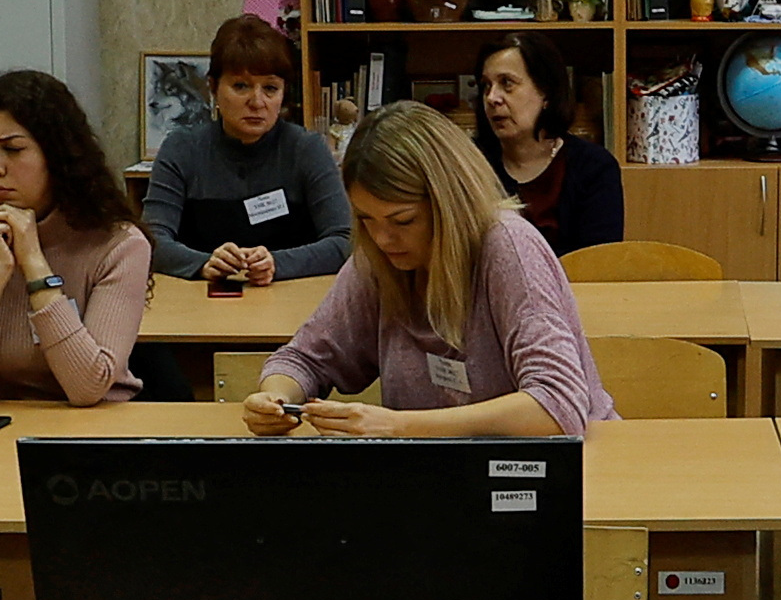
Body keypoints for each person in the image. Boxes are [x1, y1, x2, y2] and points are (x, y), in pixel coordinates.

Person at [245, 102, 613, 440]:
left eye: (403, 220)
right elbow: (304, 358)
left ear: (448, 204)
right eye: (366, 219)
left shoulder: (507, 246)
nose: (383, 238)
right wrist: (276, 396)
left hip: (565, 475)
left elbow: (557, 407)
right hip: (448, 476)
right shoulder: (378, 256)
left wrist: (400, 426)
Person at [0, 67, 151, 408]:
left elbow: (87, 388)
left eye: (12, 149)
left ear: (58, 157)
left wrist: (35, 264)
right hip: (5, 432)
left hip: (99, 430)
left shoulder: (119, 246)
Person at [140, 15, 348, 289]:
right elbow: (150, 240)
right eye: (241, 86)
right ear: (213, 88)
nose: (257, 102)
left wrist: (277, 263)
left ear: (284, 94)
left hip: (288, 303)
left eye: (270, 88)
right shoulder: (181, 150)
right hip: (201, 304)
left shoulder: (306, 150)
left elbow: (345, 241)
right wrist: (203, 263)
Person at [473, 36, 625, 256]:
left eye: (507, 83)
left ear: (546, 92)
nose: (492, 98)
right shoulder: (471, 163)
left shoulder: (594, 167)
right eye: (486, 86)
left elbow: (600, 263)